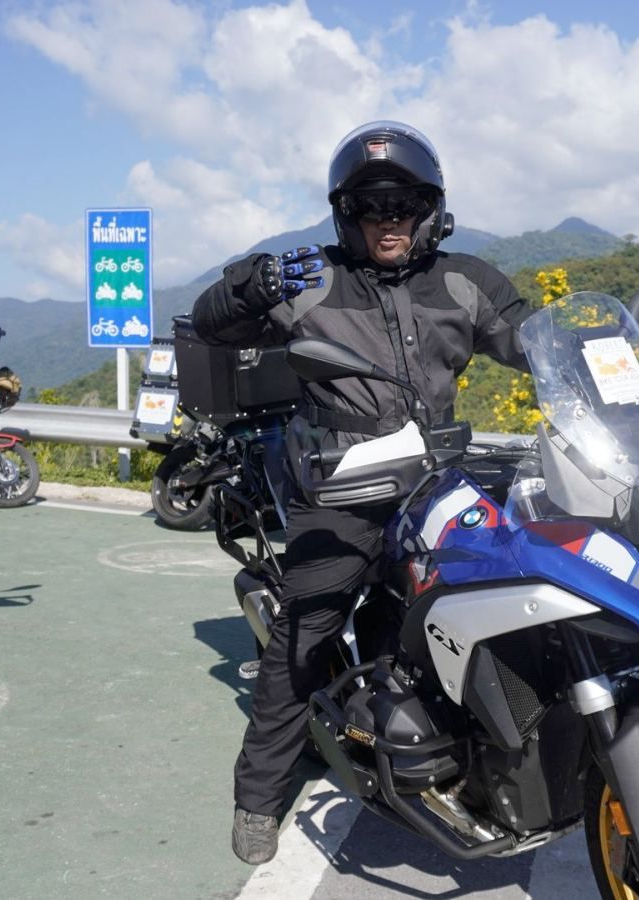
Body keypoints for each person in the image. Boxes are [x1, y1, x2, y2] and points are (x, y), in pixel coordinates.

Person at [192, 120, 533, 865]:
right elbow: (214, 326)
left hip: (436, 485)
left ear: (430, 208)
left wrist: (607, 364)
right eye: (372, 205)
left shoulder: (466, 279)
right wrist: (249, 284)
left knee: (503, 600)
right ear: (347, 212)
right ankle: (257, 797)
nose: (389, 219)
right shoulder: (309, 278)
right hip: (343, 490)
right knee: (305, 637)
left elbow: (532, 341)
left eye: (403, 203)